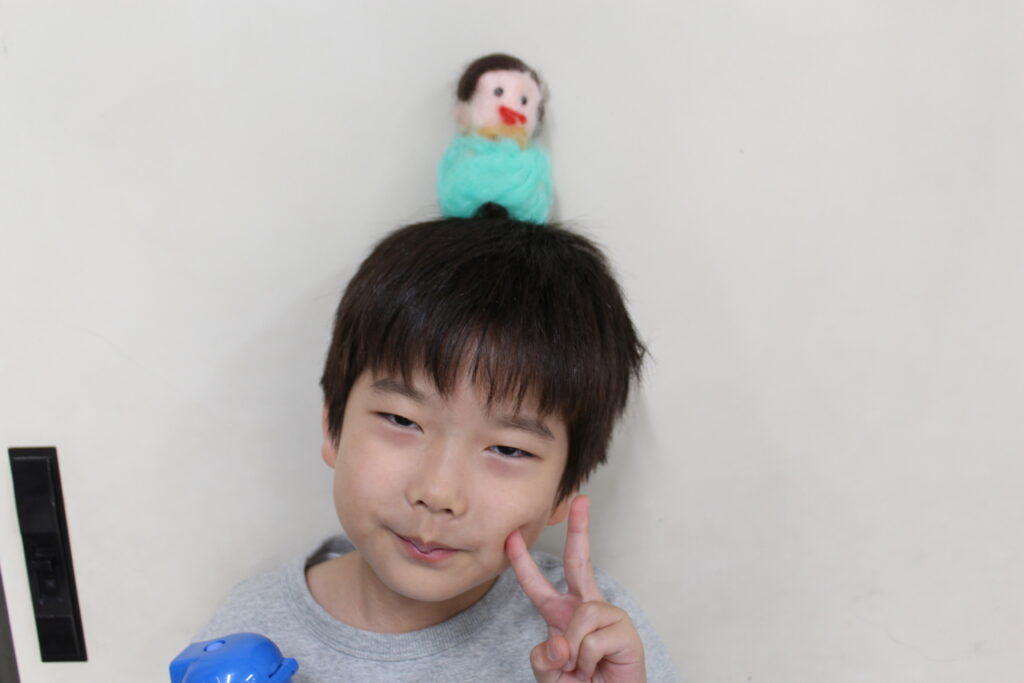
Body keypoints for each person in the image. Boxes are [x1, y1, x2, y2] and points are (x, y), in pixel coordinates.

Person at [194, 211, 680, 681]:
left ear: (564, 489)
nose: (438, 493)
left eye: (508, 450)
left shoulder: (593, 640)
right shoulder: (252, 630)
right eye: (402, 420)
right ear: (332, 427)